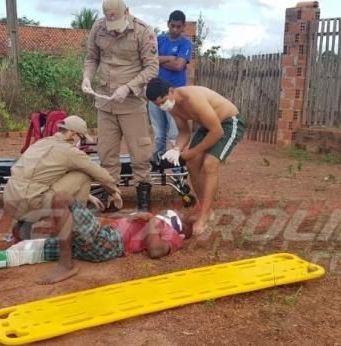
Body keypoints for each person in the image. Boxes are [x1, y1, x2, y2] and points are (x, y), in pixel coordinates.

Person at [82, 0, 159, 211]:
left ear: (126, 12)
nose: (114, 31)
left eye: (117, 25)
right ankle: (111, 198)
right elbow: (91, 58)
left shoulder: (143, 32)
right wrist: (87, 78)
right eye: (110, 25)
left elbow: (152, 68)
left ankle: (143, 199)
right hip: (105, 102)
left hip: (132, 103)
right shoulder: (98, 28)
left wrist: (128, 87)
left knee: (140, 154)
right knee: (107, 154)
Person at [145, 78, 246, 235]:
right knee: (191, 163)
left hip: (228, 123)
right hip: (209, 125)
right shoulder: (171, 107)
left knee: (209, 164)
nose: (162, 106)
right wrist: (177, 149)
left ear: (171, 91)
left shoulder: (193, 99)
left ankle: (204, 216)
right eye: (158, 104)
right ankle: (205, 209)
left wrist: (192, 152)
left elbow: (217, 132)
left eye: (163, 101)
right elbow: (184, 131)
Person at [3, 115, 122, 237]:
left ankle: (25, 223)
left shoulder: (42, 142)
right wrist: (113, 191)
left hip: (10, 201)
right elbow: (99, 173)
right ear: (72, 134)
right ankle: (78, 231)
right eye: (80, 137)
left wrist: (89, 196)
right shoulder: (70, 152)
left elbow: (51, 175)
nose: (80, 142)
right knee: (83, 174)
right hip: (31, 204)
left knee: (40, 184)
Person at [38, 191, 191, 284]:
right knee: (36, 248)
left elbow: (155, 251)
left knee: (61, 198)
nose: (176, 212)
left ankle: (66, 265)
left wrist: (152, 219)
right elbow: (112, 224)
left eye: (181, 216)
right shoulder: (153, 222)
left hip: (109, 243)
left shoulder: (173, 234)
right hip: (103, 237)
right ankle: (15, 252)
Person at [150, 10, 192, 166]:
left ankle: (177, 168)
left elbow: (179, 65)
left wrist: (160, 60)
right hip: (156, 94)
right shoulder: (159, 39)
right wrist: (169, 58)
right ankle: (157, 164)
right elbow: (151, 60)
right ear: (168, 24)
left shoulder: (186, 43)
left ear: (183, 27)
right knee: (159, 134)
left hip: (175, 95)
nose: (174, 29)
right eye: (172, 26)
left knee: (175, 134)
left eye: (178, 27)